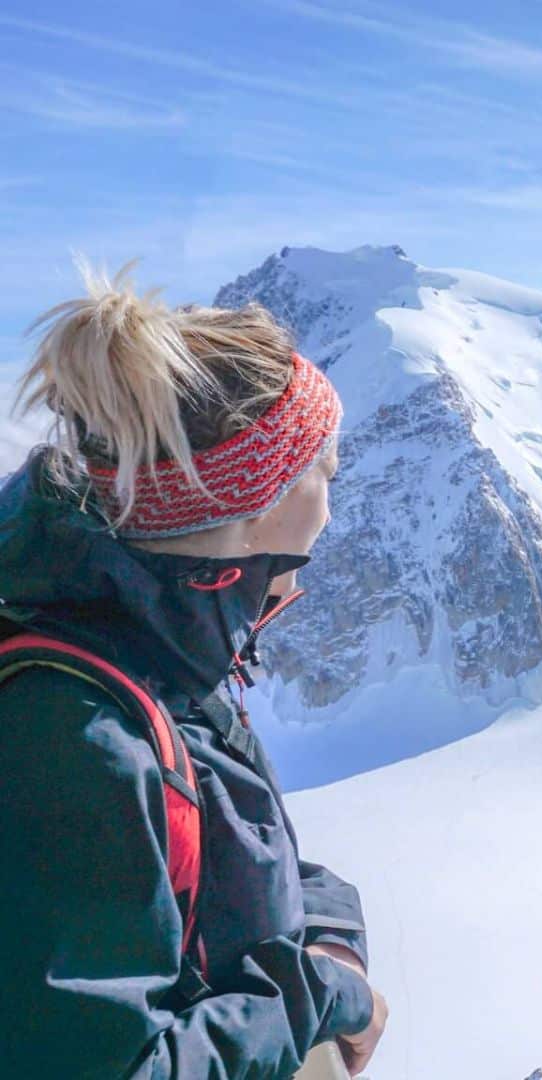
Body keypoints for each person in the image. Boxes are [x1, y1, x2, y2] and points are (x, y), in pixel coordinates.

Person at [0, 259, 388, 1077]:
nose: (335, 488)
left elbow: (228, 860)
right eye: (322, 468)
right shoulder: (75, 735)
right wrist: (313, 993)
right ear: (259, 505)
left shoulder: (158, 644)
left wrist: (327, 933)